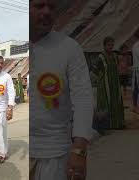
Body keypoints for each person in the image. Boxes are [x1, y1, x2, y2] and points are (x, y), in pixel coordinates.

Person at [31, 1, 94, 180]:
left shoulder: (70, 48)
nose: (47, 12)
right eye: (40, 6)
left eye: (51, 7)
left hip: (55, 154)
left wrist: (79, 150)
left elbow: (83, 100)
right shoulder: (17, 48)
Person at [93, 37, 124, 129]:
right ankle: (106, 125)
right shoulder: (100, 57)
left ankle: (117, 124)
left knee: (116, 101)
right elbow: (94, 70)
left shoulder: (115, 56)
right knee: (106, 103)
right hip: (105, 86)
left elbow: (119, 68)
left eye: (112, 45)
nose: (110, 47)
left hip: (114, 84)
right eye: (109, 45)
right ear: (104, 45)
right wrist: (99, 81)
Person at [132, 31, 139, 114]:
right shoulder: (137, 46)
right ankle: (135, 106)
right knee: (136, 88)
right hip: (138, 70)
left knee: (136, 88)